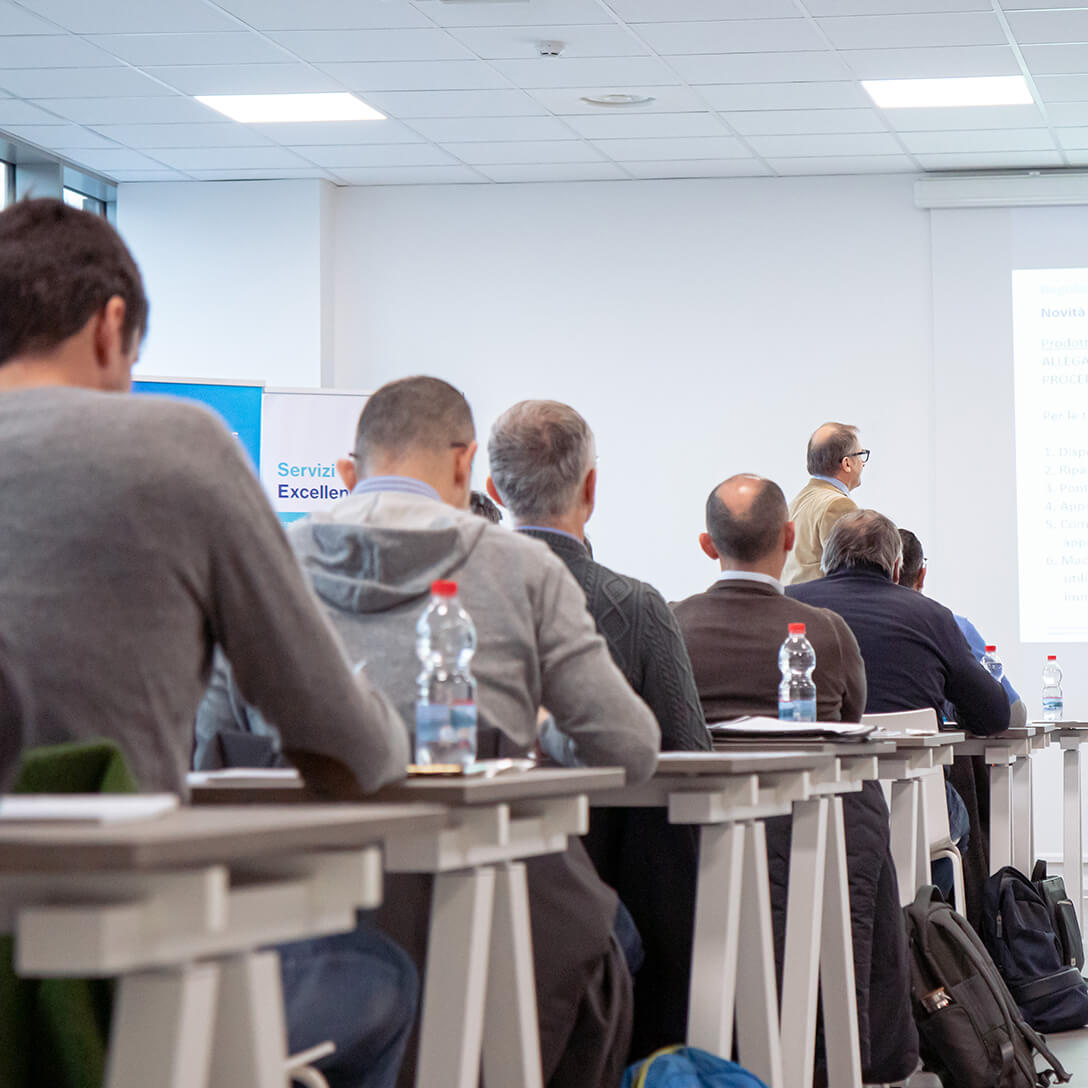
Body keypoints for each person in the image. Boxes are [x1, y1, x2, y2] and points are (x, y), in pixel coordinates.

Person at [0, 198, 417, 1088]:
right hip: (106, 959)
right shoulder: (174, 444)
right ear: (112, 328)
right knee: (380, 974)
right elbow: (333, 730)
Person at [197, 375, 661, 1088]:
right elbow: (629, 748)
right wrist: (539, 728)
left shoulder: (260, 564)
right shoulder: (521, 568)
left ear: (348, 472)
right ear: (464, 464)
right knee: (616, 937)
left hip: (296, 933)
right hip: (507, 926)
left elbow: (215, 753)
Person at [672, 475, 918, 1086]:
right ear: (788, 538)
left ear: (707, 545)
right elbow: (851, 726)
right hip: (816, 839)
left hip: (690, 843)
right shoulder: (825, 631)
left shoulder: (672, 625)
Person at [487, 398, 710, 1058]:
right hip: (608, 908)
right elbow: (688, 756)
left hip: (463, 899)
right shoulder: (634, 605)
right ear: (591, 488)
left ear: (495, 490)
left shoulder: (453, 596)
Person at [787, 511, 1010, 738]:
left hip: (814, 769)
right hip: (914, 770)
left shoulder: (788, 604)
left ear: (826, 561)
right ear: (896, 568)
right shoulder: (933, 616)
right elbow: (994, 716)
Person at [781, 421, 867, 586]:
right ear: (847, 463)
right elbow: (851, 575)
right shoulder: (838, 505)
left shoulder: (797, 502)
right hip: (823, 608)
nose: (863, 463)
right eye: (861, 454)